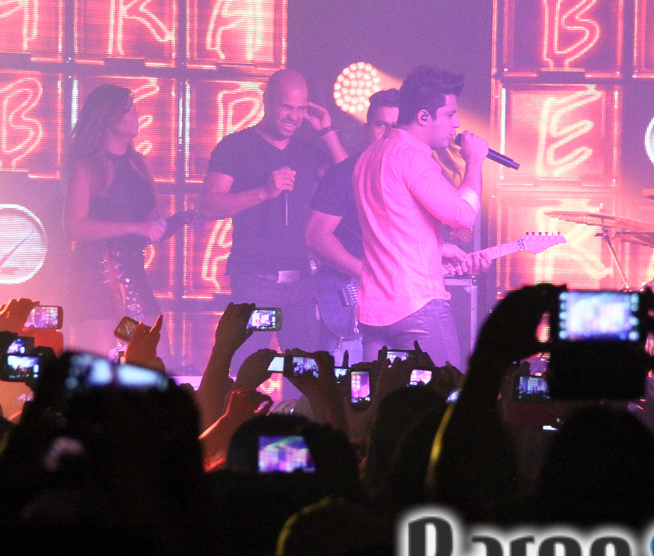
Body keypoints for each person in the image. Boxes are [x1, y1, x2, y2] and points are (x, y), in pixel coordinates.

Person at [199, 69, 348, 375]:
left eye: (301, 109)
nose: (294, 116)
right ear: (266, 100)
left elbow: (349, 179)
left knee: (306, 374)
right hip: (255, 283)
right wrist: (263, 192)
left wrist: (327, 131)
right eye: (286, 107)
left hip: (301, 285)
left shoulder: (307, 150)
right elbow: (209, 205)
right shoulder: (235, 146)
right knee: (248, 372)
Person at [353, 65, 490, 366]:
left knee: (381, 394)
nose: (456, 124)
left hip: (374, 310)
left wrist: (437, 249)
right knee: (442, 391)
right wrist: (474, 163)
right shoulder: (411, 157)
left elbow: (392, 228)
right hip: (416, 306)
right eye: (450, 115)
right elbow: (463, 215)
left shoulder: (369, 155)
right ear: (424, 117)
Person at [62, 84, 168, 355]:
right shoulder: (88, 166)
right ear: (109, 117)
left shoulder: (139, 164)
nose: (136, 115)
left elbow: (153, 221)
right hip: (95, 279)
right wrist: (134, 227)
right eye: (129, 110)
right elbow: (74, 226)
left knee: (149, 353)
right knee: (102, 360)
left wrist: (183, 220)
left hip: (133, 274)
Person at [306, 89, 399, 352]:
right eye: (381, 125)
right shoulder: (343, 175)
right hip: (347, 297)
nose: (388, 133)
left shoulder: (414, 176)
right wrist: (366, 273)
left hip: (395, 302)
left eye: (395, 126)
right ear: (367, 129)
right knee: (341, 374)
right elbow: (315, 236)